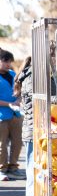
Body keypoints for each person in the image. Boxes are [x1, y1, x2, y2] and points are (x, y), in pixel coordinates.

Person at [13, 56, 34, 196]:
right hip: (35, 132)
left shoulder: (28, 75)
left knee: (35, 174)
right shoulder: (35, 76)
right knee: (35, 175)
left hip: (32, 131)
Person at [0, 49, 25, 181]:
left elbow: (19, 90)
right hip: (2, 116)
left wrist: (19, 100)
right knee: (1, 144)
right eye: (5, 61)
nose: (8, 64)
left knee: (18, 142)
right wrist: (9, 104)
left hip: (15, 114)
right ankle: (2, 169)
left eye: (9, 61)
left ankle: (13, 168)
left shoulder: (12, 74)